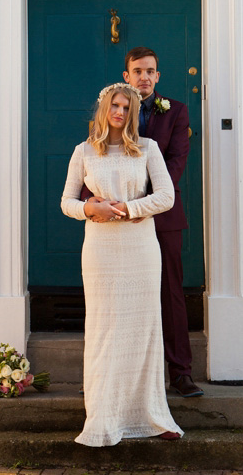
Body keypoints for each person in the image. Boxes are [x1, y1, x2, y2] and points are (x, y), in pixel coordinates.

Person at [62, 83, 183, 446]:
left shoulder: (148, 149)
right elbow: (67, 201)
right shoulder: (83, 152)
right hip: (100, 251)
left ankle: (152, 414)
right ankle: (104, 416)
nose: (120, 112)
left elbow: (166, 196)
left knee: (143, 329)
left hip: (140, 248)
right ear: (104, 109)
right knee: (105, 331)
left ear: (134, 113)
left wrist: (130, 208)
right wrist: (88, 208)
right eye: (115, 105)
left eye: (127, 107)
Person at [84, 46, 203, 398]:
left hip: (161, 216)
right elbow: (97, 160)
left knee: (170, 293)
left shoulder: (175, 112)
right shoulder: (113, 111)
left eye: (150, 71)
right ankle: (108, 374)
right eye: (137, 71)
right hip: (114, 222)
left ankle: (180, 372)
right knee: (116, 296)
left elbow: (175, 164)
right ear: (127, 76)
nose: (144, 77)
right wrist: (102, 202)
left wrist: (139, 205)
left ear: (158, 76)